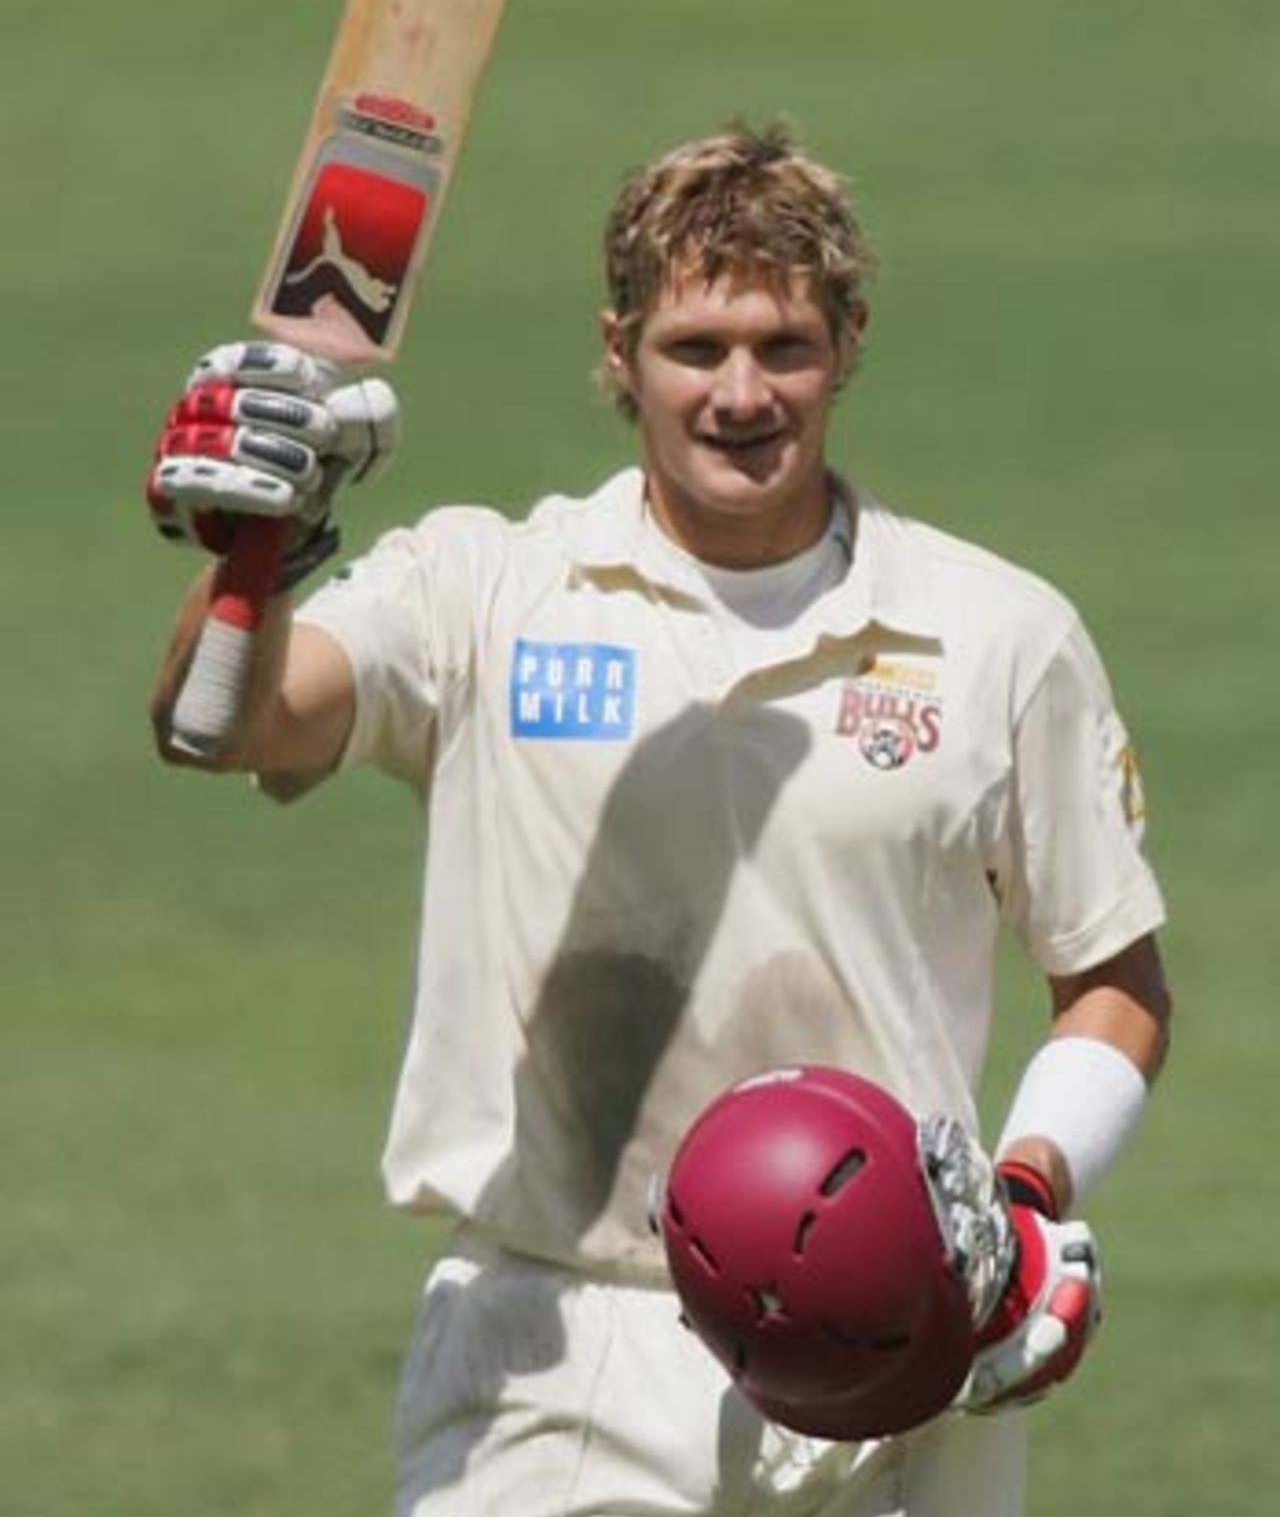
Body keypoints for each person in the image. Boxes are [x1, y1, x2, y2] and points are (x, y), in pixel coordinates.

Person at [148, 121, 1171, 1516]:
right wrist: (252, 560)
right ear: (620, 350)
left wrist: (1029, 1199)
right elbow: (221, 727)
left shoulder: (997, 634)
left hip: (908, 1337)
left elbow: (1111, 982)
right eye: (697, 349)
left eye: (783, 346)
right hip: (564, 1347)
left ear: (849, 342)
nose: (742, 394)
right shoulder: (484, 590)